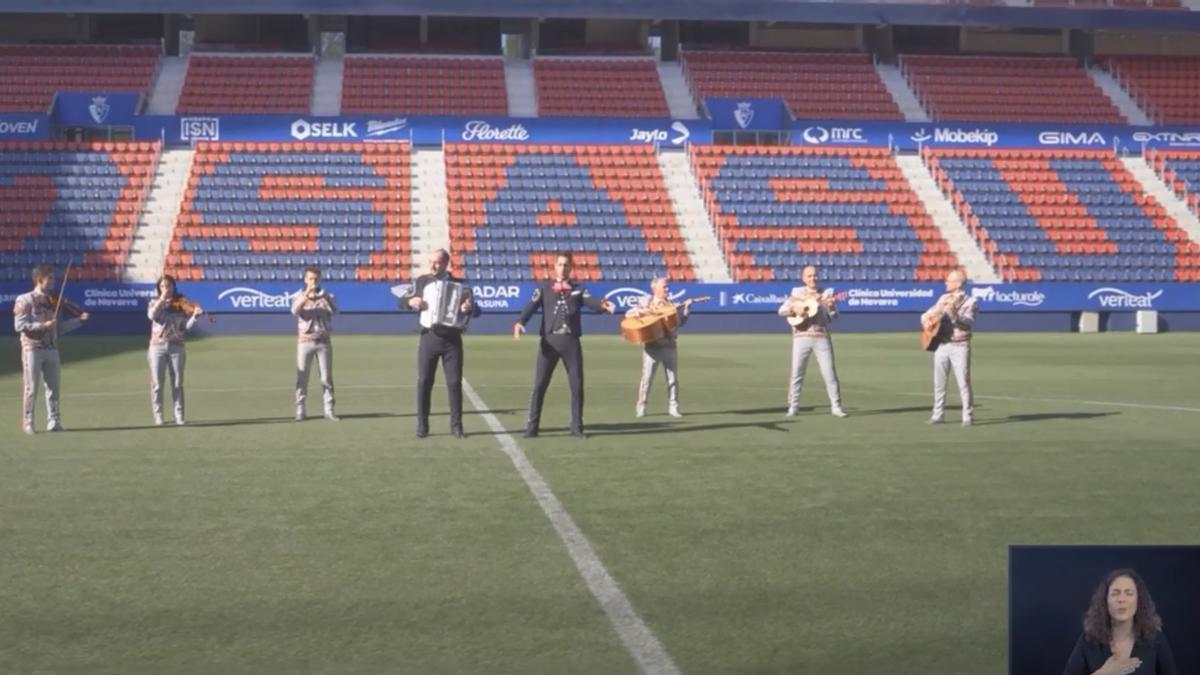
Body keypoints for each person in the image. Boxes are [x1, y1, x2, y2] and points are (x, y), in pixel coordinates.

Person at [513, 252, 614, 438]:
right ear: (555, 266)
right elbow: (531, 306)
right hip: (549, 341)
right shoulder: (544, 287)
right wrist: (520, 322)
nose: (563, 268)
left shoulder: (578, 288)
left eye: (566, 265)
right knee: (540, 385)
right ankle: (532, 427)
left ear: (571, 267)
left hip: (571, 342)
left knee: (576, 385)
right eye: (560, 264)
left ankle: (576, 427)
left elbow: (591, 301)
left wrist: (603, 305)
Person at [400, 249, 480, 439]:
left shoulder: (461, 285)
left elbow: (476, 311)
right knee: (425, 381)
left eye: (437, 263)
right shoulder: (422, 281)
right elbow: (401, 301)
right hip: (429, 336)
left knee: (454, 383)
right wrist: (412, 301)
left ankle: (457, 426)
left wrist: (469, 308)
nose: (433, 266)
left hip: (452, 340)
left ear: (446, 264)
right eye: (431, 262)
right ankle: (422, 425)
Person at [12, 265, 89, 434]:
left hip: (52, 348)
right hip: (32, 348)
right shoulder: (24, 300)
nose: (54, 282)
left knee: (53, 387)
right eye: (50, 279)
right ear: (40, 280)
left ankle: (54, 420)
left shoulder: (53, 301)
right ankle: (28, 421)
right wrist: (42, 325)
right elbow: (19, 325)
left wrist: (79, 321)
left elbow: (59, 328)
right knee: (31, 387)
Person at [1062, 569, 1178, 675]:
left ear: (1139, 601)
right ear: (1105, 601)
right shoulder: (1088, 641)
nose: (1121, 599)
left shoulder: (1155, 639)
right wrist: (1104, 673)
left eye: (1129, 593)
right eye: (1115, 593)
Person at [777, 265, 846, 418]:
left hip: (821, 337)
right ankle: (793, 406)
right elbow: (781, 311)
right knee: (797, 373)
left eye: (814, 275)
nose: (812, 278)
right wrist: (795, 309)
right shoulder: (797, 293)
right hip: (801, 337)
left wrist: (832, 307)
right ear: (803, 278)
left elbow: (833, 317)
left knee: (830, 373)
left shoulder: (827, 293)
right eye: (809, 276)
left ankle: (836, 406)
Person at [626, 277, 693, 418]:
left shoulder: (672, 304)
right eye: (665, 287)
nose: (667, 289)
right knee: (647, 380)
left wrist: (686, 311)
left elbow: (679, 323)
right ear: (655, 288)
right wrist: (640, 313)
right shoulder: (646, 301)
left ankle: (673, 406)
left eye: (667, 287)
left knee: (672, 379)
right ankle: (641, 406)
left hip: (670, 346)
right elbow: (629, 314)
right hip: (652, 347)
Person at [920, 268, 978, 426]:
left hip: (960, 345)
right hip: (942, 344)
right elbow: (927, 314)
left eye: (949, 281)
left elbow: (969, 322)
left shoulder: (970, 301)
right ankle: (938, 414)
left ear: (958, 284)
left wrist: (956, 316)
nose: (946, 282)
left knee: (963, 382)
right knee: (939, 382)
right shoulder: (943, 298)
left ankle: (968, 416)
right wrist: (927, 321)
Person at [147, 274, 203, 426]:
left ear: (174, 287)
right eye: (163, 286)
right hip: (157, 347)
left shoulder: (180, 305)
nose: (166, 288)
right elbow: (151, 315)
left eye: (169, 285)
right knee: (157, 384)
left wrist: (195, 317)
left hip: (176, 347)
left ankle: (179, 415)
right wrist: (161, 300)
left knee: (177, 383)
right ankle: (159, 416)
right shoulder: (153, 302)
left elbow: (185, 327)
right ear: (159, 288)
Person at [292, 266, 339, 422]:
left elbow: (335, 310)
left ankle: (329, 409)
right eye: (310, 279)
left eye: (316, 279)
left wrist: (326, 298)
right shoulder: (299, 295)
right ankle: (300, 410)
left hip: (323, 342)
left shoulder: (326, 295)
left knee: (326, 378)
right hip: (305, 342)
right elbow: (294, 310)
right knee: (302, 378)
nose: (313, 282)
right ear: (305, 280)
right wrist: (307, 294)